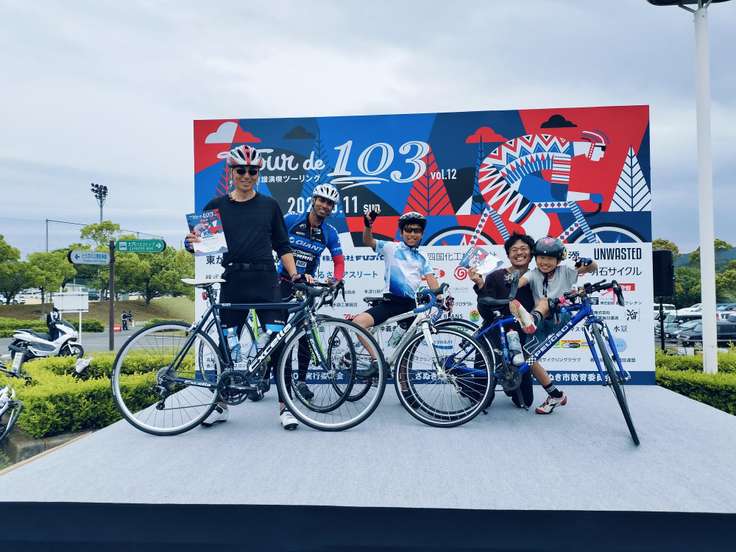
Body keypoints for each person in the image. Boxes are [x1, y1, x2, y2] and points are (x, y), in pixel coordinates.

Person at [185, 144, 303, 430]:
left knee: (278, 343)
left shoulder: (270, 205)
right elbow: (200, 243)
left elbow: (282, 245)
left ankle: (286, 407)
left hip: (266, 281)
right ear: (232, 172)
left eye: (252, 171)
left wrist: (295, 275)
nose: (247, 175)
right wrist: (190, 244)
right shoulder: (216, 206)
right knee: (227, 346)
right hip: (233, 280)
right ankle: (220, 405)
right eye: (241, 170)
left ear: (258, 174)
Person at [509, 236, 598, 414]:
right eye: (541, 257)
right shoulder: (533, 274)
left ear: (558, 260)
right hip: (540, 324)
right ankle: (555, 395)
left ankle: (531, 319)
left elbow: (590, 268)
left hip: (559, 316)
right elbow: (521, 281)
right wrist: (511, 281)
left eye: (550, 258)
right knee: (528, 357)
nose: (544, 262)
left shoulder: (565, 271)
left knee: (545, 301)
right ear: (536, 258)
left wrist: (589, 263)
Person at [350, 210, 440, 378]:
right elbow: (368, 241)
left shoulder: (423, 256)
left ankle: (405, 388)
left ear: (422, 234)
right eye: (408, 230)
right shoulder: (390, 247)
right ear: (402, 232)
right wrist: (368, 225)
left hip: (411, 307)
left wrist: (440, 297)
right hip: (391, 304)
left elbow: (431, 279)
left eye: (416, 230)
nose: (412, 234)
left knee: (407, 352)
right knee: (358, 323)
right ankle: (377, 362)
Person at [278, 183, 345, 400]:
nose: (325, 205)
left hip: (306, 287)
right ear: (313, 200)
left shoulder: (329, 232)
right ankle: (279, 381)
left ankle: (301, 381)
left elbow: (339, 262)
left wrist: (336, 279)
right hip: (282, 282)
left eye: (329, 203)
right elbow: (273, 242)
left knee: (305, 336)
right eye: (322, 200)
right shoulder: (291, 220)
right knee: (280, 336)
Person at [468, 233, 535, 408]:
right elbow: (485, 311)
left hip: (520, 340)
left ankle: (509, 384)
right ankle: (462, 381)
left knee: (525, 401)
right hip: (493, 336)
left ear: (531, 254)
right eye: (514, 250)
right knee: (479, 400)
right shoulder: (496, 276)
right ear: (508, 255)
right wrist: (480, 285)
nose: (519, 253)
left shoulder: (537, 278)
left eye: (523, 249)